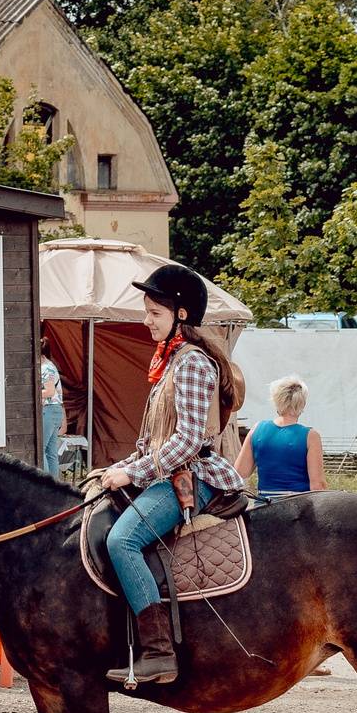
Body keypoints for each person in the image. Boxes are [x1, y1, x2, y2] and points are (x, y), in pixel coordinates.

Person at [99, 263, 245, 684]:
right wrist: (119, 468)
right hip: (166, 471)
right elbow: (152, 441)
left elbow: (187, 442)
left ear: (181, 314)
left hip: (194, 475)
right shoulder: (168, 361)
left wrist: (133, 474)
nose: (146, 321)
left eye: (154, 314)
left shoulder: (192, 363)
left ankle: (159, 652)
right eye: (147, 312)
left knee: (122, 540)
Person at [241, 377, 330, 499]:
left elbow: (241, 471)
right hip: (299, 508)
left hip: (264, 506)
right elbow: (318, 486)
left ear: (276, 401)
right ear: (302, 404)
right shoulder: (311, 436)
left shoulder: (257, 429)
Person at [40, 355, 66, 480]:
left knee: (42, 448)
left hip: (48, 409)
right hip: (56, 410)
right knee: (51, 452)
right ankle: (55, 483)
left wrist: (33, 392)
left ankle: (44, 482)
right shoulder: (51, 367)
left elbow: (49, 392)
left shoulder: (46, 369)